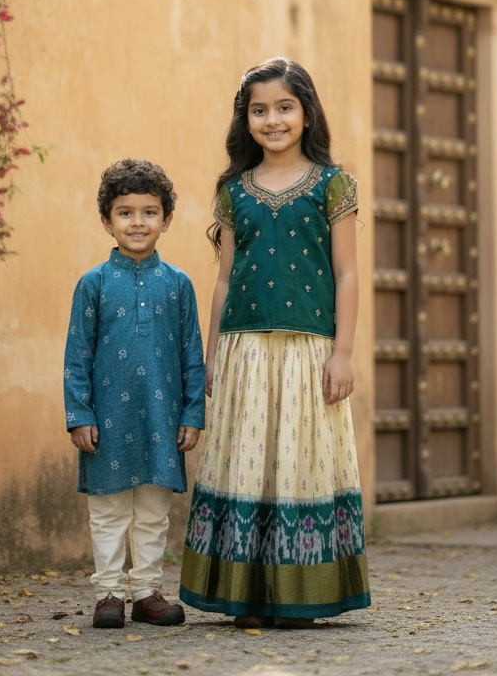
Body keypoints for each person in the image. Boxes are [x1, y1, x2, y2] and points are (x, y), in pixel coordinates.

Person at [179, 58, 371, 627]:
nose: (273, 120)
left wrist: (343, 352)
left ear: (307, 112)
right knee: (247, 465)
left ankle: (300, 596)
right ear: (246, 119)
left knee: (298, 465)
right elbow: (223, 279)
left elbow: (348, 273)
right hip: (245, 350)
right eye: (259, 110)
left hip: (309, 352)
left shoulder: (334, 185)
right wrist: (213, 356)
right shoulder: (233, 190)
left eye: (285, 107)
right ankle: (247, 596)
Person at [64, 158, 205, 628]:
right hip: (106, 419)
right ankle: (108, 593)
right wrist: (80, 414)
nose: (138, 222)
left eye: (149, 212)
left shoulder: (178, 284)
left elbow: (192, 354)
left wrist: (193, 413)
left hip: (162, 418)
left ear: (167, 219)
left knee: (152, 511)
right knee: (107, 510)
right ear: (107, 221)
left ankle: (146, 593)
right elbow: (77, 355)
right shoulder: (94, 284)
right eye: (125, 213)